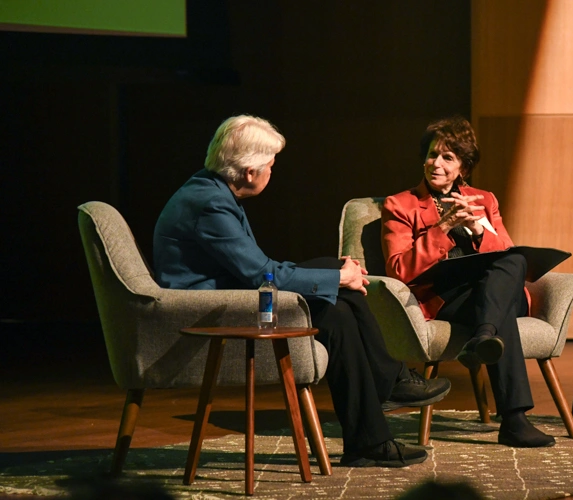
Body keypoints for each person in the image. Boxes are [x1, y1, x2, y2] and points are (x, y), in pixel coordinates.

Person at [153, 115, 451, 467]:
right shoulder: (210, 205)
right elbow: (260, 274)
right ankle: (381, 410)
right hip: (212, 314)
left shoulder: (211, 191)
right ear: (250, 172)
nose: (271, 172)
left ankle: (384, 403)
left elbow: (258, 269)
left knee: (335, 285)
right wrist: (338, 278)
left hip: (230, 296)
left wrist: (338, 274)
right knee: (336, 303)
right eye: (270, 166)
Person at [380, 116, 555, 448]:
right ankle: (514, 419)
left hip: (496, 295)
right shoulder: (400, 205)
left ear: (463, 167)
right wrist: (441, 228)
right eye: (432, 154)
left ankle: (484, 334)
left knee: (515, 258)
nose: (436, 164)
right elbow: (399, 270)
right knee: (497, 308)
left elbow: (508, 257)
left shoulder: (484, 200)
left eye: (448, 157)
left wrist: (477, 228)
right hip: (448, 298)